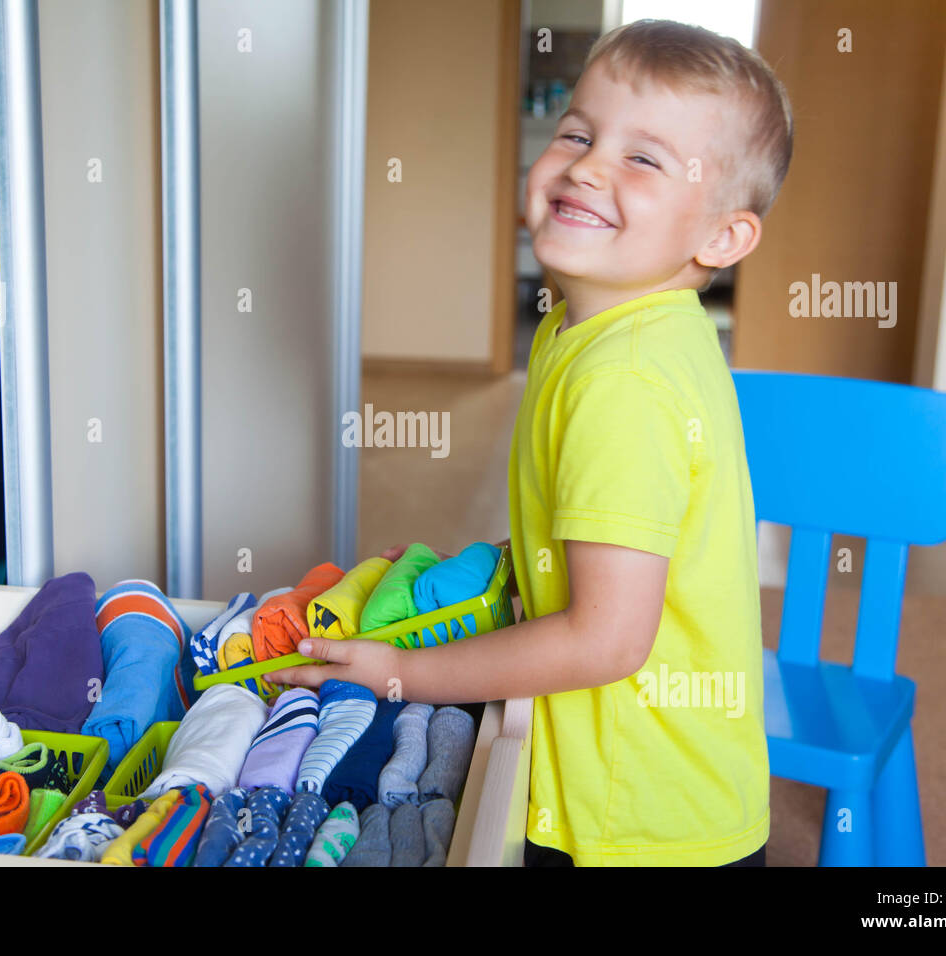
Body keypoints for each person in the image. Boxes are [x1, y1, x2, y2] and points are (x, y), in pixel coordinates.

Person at [268, 18, 794, 867]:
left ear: (721, 238)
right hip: (648, 792)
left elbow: (606, 639)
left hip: (634, 822)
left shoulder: (623, 383)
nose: (586, 164)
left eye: (643, 158)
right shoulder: (593, 329)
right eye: (579, 134)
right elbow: (609, 534)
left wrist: (400, 673)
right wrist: (487, 578)